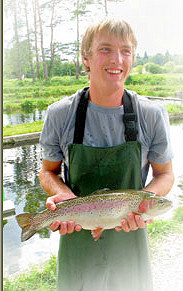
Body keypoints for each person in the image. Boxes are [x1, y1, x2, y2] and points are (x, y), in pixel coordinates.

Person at [39, 19, 174, 291]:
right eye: (105, 49)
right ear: (86, 57)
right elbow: (47, 171)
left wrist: (145, 204)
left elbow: (166, 174)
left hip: (131, 242)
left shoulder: (151, 114)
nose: (117, 59)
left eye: (126, 50)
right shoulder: (59, 114)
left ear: (133, 57)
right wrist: (62, 194)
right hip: (77, 233)